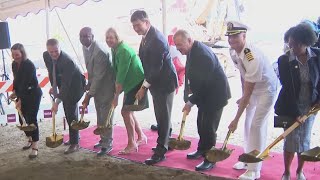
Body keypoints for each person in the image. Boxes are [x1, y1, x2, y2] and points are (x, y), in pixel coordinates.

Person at [226, 21, 278, 180]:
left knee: (257, 125)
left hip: (266, 90)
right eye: (229, 37)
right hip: (252, 88)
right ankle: (247, 159)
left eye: (236, 37)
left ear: (244, 36)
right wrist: (242, 97)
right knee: (248, 124)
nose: (232, 41)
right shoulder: (233, 51)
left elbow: (249, 92)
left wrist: (235, 119)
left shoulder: (252, 56)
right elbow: (243, 77)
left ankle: (255, 169)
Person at [173, 29, 231, 171]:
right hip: (205, 96)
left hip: (215, 96)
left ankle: (210, 159)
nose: (178, 48)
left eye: (180, 45)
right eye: (176, 45)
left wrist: (190, 102)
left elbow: (205, 84)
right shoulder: (192, 50)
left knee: (209, 128)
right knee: (201, 124)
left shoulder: (202, 55)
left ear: (190, 40)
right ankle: (202, 149)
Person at [130, 10, 178, 165]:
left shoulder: (156, 39)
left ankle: (161, 150)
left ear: (147, 22)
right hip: (155, 82)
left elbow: (156, 68)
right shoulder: (146, 37)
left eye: (138, 25)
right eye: (134, 26)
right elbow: (146, 62)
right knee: (162, 114)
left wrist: (143, 87)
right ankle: (167, 140)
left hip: (164, 83)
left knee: (163, 116)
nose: (136, 28)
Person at [275, 23, 319, 180]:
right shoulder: (284, 60)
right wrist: (296, 114)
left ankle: (300, 171)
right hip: (290, 107)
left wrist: (318, 101)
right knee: (290, 140)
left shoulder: (317, 56)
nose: (293, 48)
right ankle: (286, 172)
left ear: (307, 42)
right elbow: (288, 89)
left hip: (310, 106)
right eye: (291, 44)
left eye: (297, 44)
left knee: (304, 141)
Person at [105, 27, 148, 155]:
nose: (109, 40)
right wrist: (115, 91)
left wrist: (116, 96)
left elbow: (121, 75)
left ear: (117, 37)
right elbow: (116, 70)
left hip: (136, 82)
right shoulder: (114, 48)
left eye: (111, 37)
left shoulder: (123, 50)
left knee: (125, 112)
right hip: (129, 82)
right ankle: (141, 136)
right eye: (107, 38)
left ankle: (132, 143)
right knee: (129, 111)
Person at [43, 38, 85, 154]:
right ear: (47, 50)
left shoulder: (68, 61)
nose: (54, 54)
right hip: (64, 84)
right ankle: (74, 137)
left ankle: (75, 143)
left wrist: (56, 102)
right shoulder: (46, 56)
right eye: (51, 52)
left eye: (56, 51)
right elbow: (51, 72)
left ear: (60, 47)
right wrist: (54, 86)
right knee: (68, 112)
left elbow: (66, 84)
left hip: (75, 87)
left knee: (70, 113)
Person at [79, 27, 115, 156]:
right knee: (100, 114)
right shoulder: (85, 47)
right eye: (81, 36)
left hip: (106, 87)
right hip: (97, 87)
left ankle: (107, 144)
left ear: (92, 37)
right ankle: (103, 140)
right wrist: (89, 83)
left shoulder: (99, 51)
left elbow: (99, 76)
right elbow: (91, 70)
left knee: (106, 117)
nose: (83, 39)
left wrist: (88, 96)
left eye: (86, 36)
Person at [10, 43, 42, 159]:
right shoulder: (14, 64)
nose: (15, 57)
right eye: (13, 54)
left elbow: (25, 83)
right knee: (21, 118)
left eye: (17, 54)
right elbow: (17, 80)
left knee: (31, 119)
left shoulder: (29, 65)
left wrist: (20, 100)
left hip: (33, 93)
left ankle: (35, 147)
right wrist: (14, 91)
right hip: (22, 92)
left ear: (22, 53)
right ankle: (29, 140)